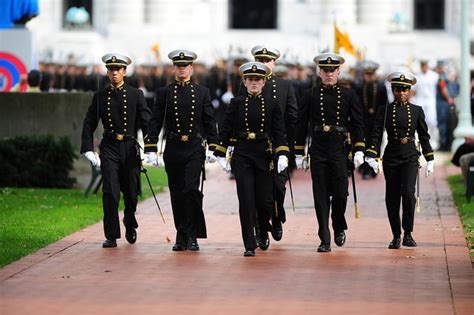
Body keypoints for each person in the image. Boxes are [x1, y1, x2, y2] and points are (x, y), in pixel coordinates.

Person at [143, 49, 218, 252]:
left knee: (191, 190)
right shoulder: (164, 93)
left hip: (194, 147)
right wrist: (150, 146)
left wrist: (214, 147)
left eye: (186, 66)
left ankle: (192, 234)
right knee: (177, 193)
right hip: (174, 147)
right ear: (174, 68)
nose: (182, 69)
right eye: (179, 66)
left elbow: (209, 121)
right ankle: (181, 233)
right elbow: (155, 121)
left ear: (192, 68)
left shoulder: (202, 93)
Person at [213, 61, 289, 257]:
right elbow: (226, 127)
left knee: (264, 200)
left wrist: (282, 154)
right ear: (244, 82)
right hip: (243, 154)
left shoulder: (272, 104)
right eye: (250, 79)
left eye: (258, 79)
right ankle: (249, 242)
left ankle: (263, 230)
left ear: (264, 82)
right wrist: (219, 152)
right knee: (246, 200)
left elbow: (279, 132)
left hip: (264, 154)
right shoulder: (236, 103)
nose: (254, 82)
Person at [294, 53, 365, 253]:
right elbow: (301, 124)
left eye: (332, 70)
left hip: (339, 148)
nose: (329, 74)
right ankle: (324, 237)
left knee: (341, 193)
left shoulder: (349, 95)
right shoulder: (310, 94)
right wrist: (299, 152)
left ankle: (339, 224)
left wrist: (359, 148)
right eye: (325, 70)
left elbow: (358, 124)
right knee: (321, 194)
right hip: (318, 148)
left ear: (338, 72)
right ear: (319, 72)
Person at [80, 53, 151, 248]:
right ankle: (111, 234)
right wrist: (88, 148)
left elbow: (146, 122)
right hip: (110, 146)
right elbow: (89, 123)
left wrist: (151, 148)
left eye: (118, 69)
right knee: (110, 192)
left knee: (131, 193)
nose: (114, 73)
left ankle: (130, 221)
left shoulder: (136, 94)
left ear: (125, 71)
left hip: (129, 147)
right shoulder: (100, 96)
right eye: (111, 69)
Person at [365, 71, 434, 249]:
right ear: (393, 90)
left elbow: (424, 136)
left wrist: (430, 159)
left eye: (405, 90)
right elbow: (376, 134)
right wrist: (372, 155)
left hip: (410, 154)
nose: (401, 93)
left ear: (410, 91)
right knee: (392, 197)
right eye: (398, 89)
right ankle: (396, 235)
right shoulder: (385, 110)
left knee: (409, 194)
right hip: (392, 155)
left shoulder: (417, 110)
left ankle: (408, 233)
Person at [250, 45, 298, 242]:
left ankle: (277, 218)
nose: (263, 64)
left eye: (267, 61)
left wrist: (287, 143)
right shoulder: (248, 82)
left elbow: (293, 114)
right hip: (256, 146)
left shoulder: (284, 86)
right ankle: (261, 229)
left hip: (279, 146)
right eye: (259, 61)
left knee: (278, 187)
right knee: (257, 191)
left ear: (274, 63)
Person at [354, 60, 388, 179]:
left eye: (371, 74)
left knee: (375, 145)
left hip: (376, 122)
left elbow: (384, 106)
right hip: (363, 121)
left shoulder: (380, 87)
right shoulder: (358, 86)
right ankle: (364, 168)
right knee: (363, 144)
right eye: (367, 74)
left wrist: (383, 123)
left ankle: (373, 168)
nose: (369, 77)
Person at [411, 60, 439, 150]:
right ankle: (420, 141)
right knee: (420, 121)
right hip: (420, 99)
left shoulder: (434, 76)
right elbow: (413, 91)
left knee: (432, 121)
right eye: (422, 65)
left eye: (425, 65)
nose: (424, 67)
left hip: (430, 99)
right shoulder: (417, 76)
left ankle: (433, 141)